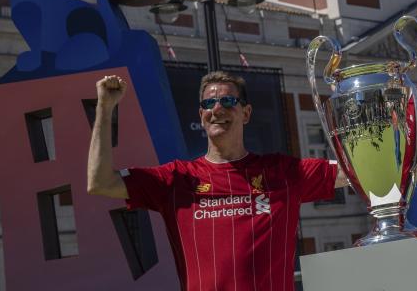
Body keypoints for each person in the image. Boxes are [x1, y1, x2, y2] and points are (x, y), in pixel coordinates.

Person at [87, 70, 347, 291]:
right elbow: (100, 182)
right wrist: (104, 107)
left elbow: (353, 173)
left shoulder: (281, 172)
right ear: (201, 115)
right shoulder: (177, 179)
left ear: (246, 113)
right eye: (209, 104)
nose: (218, 109)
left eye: (228, 100)